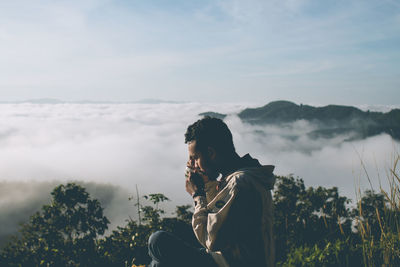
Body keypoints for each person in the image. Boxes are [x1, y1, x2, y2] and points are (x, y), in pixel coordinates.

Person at [147, 117, 275, 267]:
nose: (194, 165)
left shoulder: (239, 183)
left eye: (195, 158)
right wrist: (208, 184)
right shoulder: (245, 176)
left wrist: (198, 195)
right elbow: (217, 219)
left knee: (157, 241)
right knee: (160, 260)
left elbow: (211, 240)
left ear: (211, 153)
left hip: (230, 262)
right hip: (230, 259)